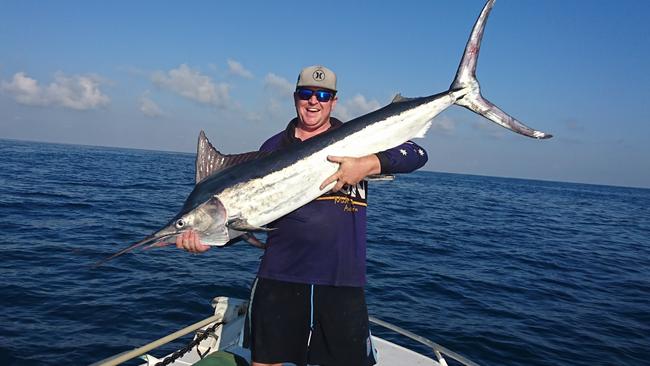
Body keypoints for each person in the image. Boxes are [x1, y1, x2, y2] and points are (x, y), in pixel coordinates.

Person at [176, 65, 428, 366]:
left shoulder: (362, 139)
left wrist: (368, 164)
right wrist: (208, 238)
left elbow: (416, 154)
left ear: (334, 101)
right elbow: (249, 218)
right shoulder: (272, 148)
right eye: (306, 93)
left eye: (323, 95)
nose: (313, 101)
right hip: (279, 276)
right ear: (295, 97)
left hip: (341, 280)